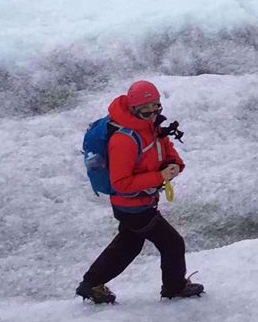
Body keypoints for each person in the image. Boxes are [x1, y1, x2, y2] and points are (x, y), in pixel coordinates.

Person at [77, 80, 202, 304]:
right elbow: (121, 183)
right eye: (146, 109)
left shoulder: (150, 127)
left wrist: (174, 164)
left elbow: (165, 149)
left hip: (141, 202)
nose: (153, 113)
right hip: (132, 206)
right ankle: (175, 286)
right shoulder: (124, 140)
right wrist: (160, 177)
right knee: (172, 243)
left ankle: (91, 284)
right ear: (134, 108)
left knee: (129, 244)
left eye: (156, 107)